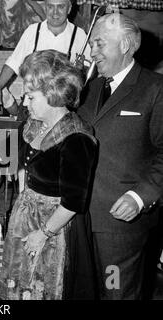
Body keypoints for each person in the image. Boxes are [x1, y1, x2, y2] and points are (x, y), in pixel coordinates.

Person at [0, 49, 98, 300]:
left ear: (53, 94)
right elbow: (2, 151)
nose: (24, 103)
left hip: (55, 229)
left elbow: (73, 203)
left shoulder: (76, 138)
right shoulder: (35, 124)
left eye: (30, 97)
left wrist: (43, 234)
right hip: (27, 220)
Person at [77, 13, 163, 300]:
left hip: (119, 225)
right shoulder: (88, 89)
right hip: (78, 218)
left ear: (125, 45)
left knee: (116, 294)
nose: (92, 52)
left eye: (99, 44)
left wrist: (140, 197)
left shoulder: (155, 89)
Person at [0, 0, 91, 114]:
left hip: (62, 109)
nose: (55, 12)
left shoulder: (79, 35)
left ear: (69, 9)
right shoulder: (32, 31)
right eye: (51, 7)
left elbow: (89, 72)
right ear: (45, 8)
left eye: (61, 7)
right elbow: (13, 62)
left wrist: (81, 69)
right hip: (30, 107)